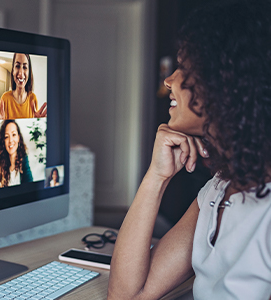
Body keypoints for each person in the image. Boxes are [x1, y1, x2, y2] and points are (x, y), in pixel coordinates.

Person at [108, 1, 271, 299]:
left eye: (185, 67)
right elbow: (128, 294)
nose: (169, 80)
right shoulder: (218, 189)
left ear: (225, 81)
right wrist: (156, 177)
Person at [0, 53, 47, 120]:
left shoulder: (33, 98)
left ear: (29, 72)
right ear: (13, 70)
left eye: (25, 67)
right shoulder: (5, 98)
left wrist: (38, 122)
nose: (21, 73)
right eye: (17, 66)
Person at [0, 120, 33, 189]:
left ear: (18, 137)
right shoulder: (1, 162)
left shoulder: (24, 160)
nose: (10, 140)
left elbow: (30, 187)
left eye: (14, 135)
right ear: (3, 141)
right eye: (6, 137)